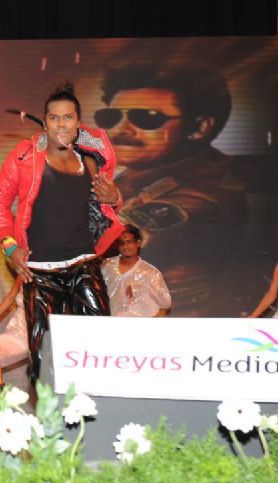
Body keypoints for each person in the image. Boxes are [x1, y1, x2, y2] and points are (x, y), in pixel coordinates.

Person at [0, 81, 125, 384]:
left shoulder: (90, 162)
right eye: (54, 117)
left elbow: (107, 205)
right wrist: (10, 246)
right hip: (39, 272)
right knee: (44, 361)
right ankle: (50, 413)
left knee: (99, 348)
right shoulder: (25, 156)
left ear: (78, 123)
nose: (61, 124)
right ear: (45, 122)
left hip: (83, 264)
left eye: (68, 117)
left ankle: (94, 411)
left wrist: (115, 197)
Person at [96, 64, 250, 315]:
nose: (120, 130)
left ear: (199, 128)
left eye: (148, 118)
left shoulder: (207, 191)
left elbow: (122, 237)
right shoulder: (137, 177)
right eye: (110, 118)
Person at [101, 224, 171, 317]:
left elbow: (166, 303)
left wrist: (140, 289)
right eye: (121, 243)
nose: (125, 246)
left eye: (129, 242)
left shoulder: (151, 272)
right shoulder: (107, 266)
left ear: (138, 243)